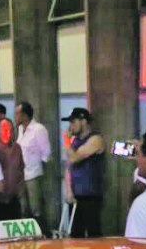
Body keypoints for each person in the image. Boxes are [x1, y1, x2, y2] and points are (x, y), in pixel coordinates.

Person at [62, 107, 106, 238]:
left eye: (73, 122)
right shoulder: (74, 142)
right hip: (76, 195)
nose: (70, 126)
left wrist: (66, 141)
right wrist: (68, 190)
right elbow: (68, 166)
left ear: (84, 121)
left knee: (93, 233)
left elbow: (75, 157)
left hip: (91, 195)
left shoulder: (95, 139)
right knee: (76, 235)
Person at [14, 101, 52, 224]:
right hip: (21, 175)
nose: (15, 117)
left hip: (34, 174)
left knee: (36, 207)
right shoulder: (20, 129)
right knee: (23, 207)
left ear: (25, 115)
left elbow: (46, 153)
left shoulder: (38, 129)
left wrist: (41, 171)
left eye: (17, 114)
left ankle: (41, 230)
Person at [0, 116, 28, 222]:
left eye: (10, 130)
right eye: (5, 130)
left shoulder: (17, 148)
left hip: (13, 200)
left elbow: (21, 170)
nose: (8, 134)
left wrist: (20, 190)